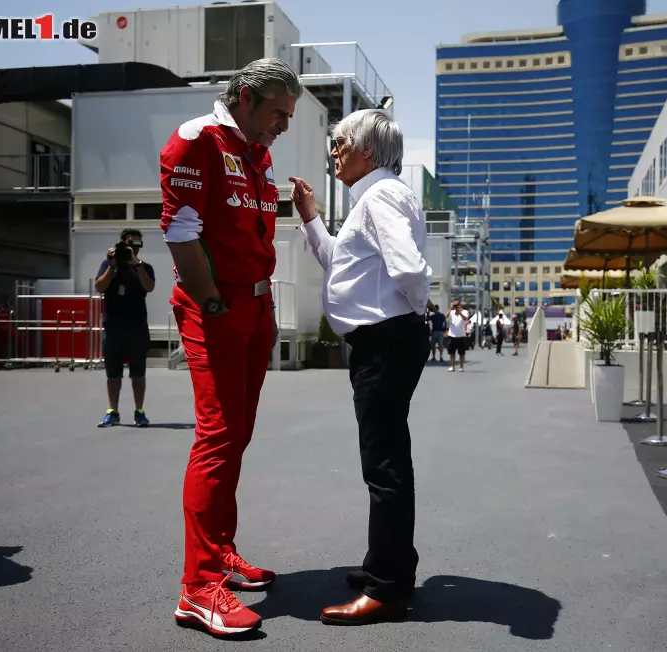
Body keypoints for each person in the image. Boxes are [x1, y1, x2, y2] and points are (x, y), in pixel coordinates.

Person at [160, 58, 299, 637]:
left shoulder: (256, 151)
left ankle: (220, 552)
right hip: (215, 308)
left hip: (255, 309)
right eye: (277, 112)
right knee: (217, 436)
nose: (283, 126)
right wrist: (214, 303)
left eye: (289, 116)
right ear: (245, 96)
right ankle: (197, 588)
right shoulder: (197, 141)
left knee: (237, 434)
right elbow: (181, 231)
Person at [290, 108, 432, 626]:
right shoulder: (372, 197)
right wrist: (310, 216)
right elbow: (338, 263)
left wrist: (413, 313)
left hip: (385, 341)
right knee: (388, 460)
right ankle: (387, 566)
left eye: (341, 143)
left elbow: (411, 269)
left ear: (367, 151)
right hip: (385, 339)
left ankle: (388, 588)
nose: (334, 152)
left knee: (385, 466)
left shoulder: (380, 196)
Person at [94, 228, 156, 427]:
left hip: (137, 327)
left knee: (138, 372)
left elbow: (149, 287)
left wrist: (135, 264)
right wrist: (113, 267)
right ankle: (113, 411)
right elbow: (99, 287)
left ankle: (139, 411)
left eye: (137, 245)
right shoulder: (109, 265)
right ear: (121, 244)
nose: (133, 249)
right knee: (113, 373)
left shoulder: (144, 267)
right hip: (113, 327)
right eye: (129, 245)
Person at [447, 300, 470, 372]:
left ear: (460, 305)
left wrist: (459, 312)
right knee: (452, 352)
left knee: (462, 353)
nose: (456, 307)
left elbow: (465, 319)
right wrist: (450, 309)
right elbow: (445, 316)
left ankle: (461, 366)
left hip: (461, 335)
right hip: (452, 335)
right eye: (455, 305)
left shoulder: (464, 312)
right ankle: (452, 366)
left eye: (457, 305)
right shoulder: (452, 312)